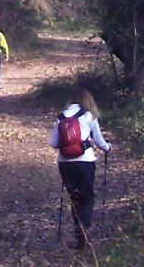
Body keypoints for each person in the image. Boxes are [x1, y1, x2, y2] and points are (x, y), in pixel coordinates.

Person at [49, 87, 110, 250]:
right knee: (87, 195)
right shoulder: (89, 115)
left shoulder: (61, 117)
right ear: (88, 100)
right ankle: (84, 225)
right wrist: (107, 148)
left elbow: (53, 144)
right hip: (85, 161)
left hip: (65, 162)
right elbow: (99, 141)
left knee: (74, 197)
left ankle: (79, 237)